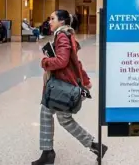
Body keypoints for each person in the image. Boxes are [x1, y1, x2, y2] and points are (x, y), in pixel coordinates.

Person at [32, 10, 107, 165]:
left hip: (63, 85)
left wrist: (45, 62)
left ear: (62, 22)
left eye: (52, 18)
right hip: (66, 82)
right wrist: (85, 79)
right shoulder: (66, 35)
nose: (49, 21)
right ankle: (49, 152)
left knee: (58, 117)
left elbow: (62, 61)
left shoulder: (62, 36)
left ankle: (49, 153)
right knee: (56, 116)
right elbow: (75, 61)